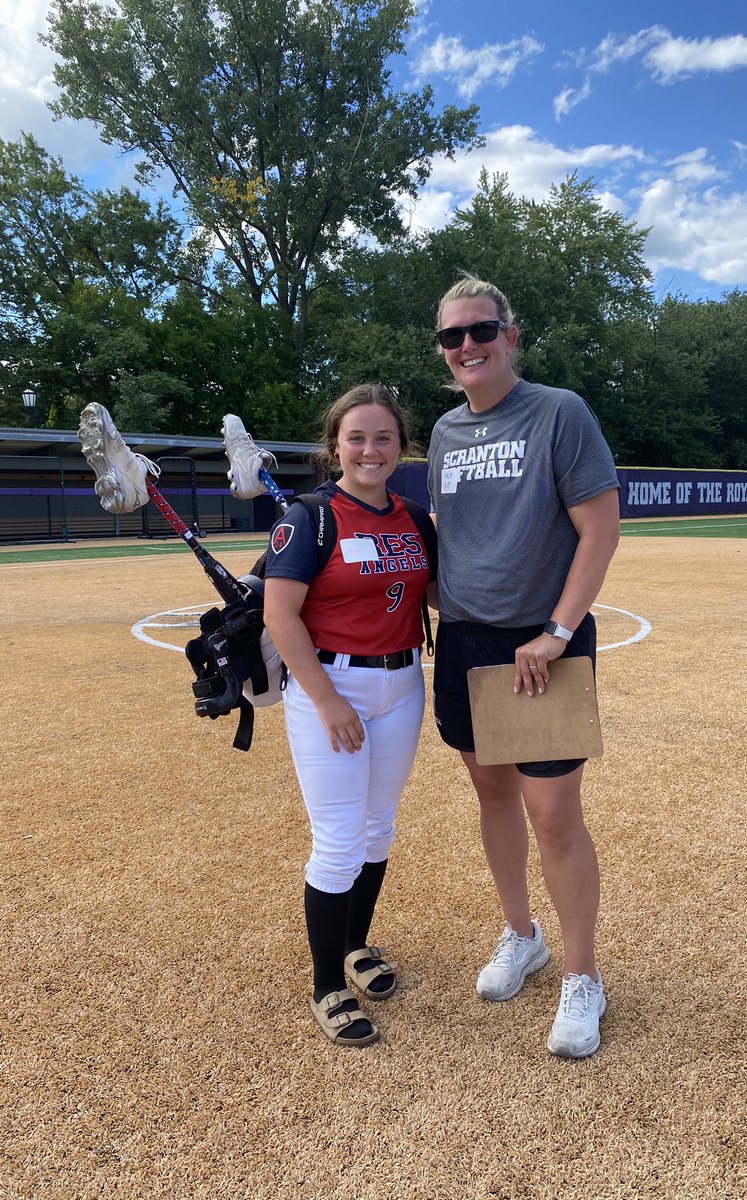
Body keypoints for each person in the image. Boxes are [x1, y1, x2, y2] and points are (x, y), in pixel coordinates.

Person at [427, 276, 620, 1059]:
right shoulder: (441, 431)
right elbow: (447, 532)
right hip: (467, 643)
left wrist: (556, 630)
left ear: (510, 335)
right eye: (452, 337)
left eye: (481, 330)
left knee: (554, 814)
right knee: (492, 791)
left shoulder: (558, 412)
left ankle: (584, 977)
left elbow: (600, 532)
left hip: (539, 647)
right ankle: (521, 935)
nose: (467, 346)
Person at [263, 384, 435, 1048]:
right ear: (334, 445)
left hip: (402, 683)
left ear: (401, 446)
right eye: (357, 437)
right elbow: (281, 615)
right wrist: (328, 701)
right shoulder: (309, 517)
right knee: (336, 841)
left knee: (378, 829)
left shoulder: (414, 520)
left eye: (383, 437)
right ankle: (325, 985)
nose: (370, 449)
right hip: (329, 687)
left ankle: (355, 946)